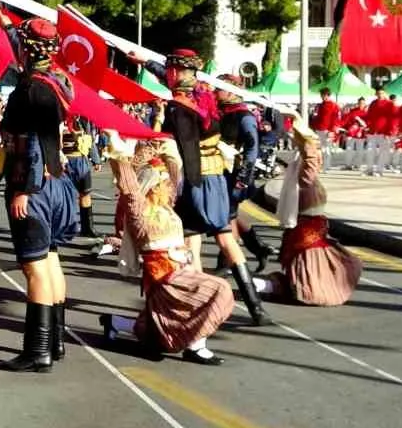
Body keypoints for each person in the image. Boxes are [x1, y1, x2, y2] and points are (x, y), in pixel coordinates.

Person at [139, 49, 267, 326]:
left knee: (191, 245)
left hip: (197, 180)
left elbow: (186, 150)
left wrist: (177, 185)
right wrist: (145, 62)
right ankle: (256, 308)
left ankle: (198, 309)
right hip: (217, 179)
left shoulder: (178, 106)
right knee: (226, 238)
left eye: (169, 70)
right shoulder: (205, 94)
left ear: (175, 72)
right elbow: (174, 78)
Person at [98, 133, 235, 364]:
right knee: (219, 290)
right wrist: (118, 147)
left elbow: (174, 172)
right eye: (162, 184)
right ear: (151, 187)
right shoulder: (140, 212)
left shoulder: (167, 206)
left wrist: (166, 146)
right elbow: (128, 185)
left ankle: (115, 322)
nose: (168, 187)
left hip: (180, 271)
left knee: (162, 325)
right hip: (165, 278)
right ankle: (195, 345)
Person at [0, 18, 80, 373]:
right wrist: (7, 22)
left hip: (34, 186)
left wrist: (24, 191)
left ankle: (38, 351)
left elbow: (32, 143)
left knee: (33, 268)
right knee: (50, 260)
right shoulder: (58, 81)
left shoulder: (30, 89)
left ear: (27, 50)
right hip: (58, 182)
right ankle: (57, 342)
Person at [252, 122, 361, 305]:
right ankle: (305, 289)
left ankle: (280, 286)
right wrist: (306, 139)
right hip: (307, 229)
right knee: (312, 263)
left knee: (327, 262)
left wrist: (304, 138)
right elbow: (311, 159)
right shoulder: (305, 176)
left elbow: (313, 159)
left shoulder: (304, 172)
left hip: (312, 227)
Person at [217, 76, 273, 271]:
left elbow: (252, 147)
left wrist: (243, 177)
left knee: (226, 216)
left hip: (234, 173)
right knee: (229, 216)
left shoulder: (244, 116)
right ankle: (259, 248)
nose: (216, 92)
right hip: (219, 170)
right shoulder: (220, 111)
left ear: (232, 92)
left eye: (220, 89)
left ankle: (226, 262)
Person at [310, 87, 339, 169]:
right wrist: (313, 128)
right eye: (322, 95)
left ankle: (327, 165)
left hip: (328, 130)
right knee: (320, 149)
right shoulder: (319, 106)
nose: (323, 97)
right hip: (319, 129)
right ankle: (321, 165)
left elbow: (336, 119)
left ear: (328, 95)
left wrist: (332, 130)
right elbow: (315, 118)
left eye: (325, 95)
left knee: (327, 149)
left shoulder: (334, 106)